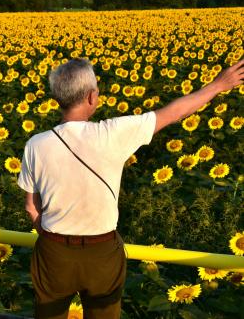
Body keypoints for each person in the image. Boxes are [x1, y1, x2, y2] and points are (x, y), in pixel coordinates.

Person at [17, 58, 244, 319]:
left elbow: (30, 206)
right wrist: (218, 85)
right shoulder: (114, 133)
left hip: (54, 251)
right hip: (101, 251)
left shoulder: (36, 144)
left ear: (57, 99)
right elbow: (175, 112)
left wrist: (50, 236)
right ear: (92, 97)